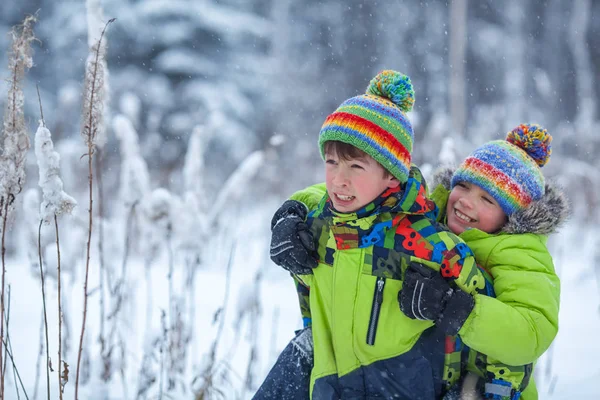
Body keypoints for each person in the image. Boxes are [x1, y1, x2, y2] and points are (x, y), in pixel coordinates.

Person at [258, 122, 569, 400]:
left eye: (487, 200)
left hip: (490, 385)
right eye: (463, 186)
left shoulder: (521, 254)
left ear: (512, 215)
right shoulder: (430, 217)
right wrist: (296, 209)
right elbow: (367, 193)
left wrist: (454, 308)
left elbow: (530, 334)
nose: (465, 202)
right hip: (436, 366)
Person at [255, 70, 487, 400]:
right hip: (329, 385)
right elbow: (315, 293)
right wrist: (290, 242)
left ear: (392, 177)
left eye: (356, 167)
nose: (339, 180)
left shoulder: (433, 247)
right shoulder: (318, 227)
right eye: (332, 162)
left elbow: (482, 337)